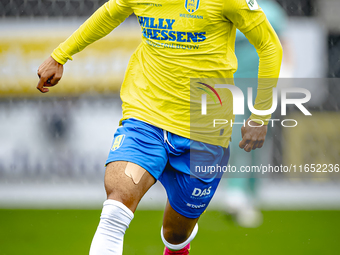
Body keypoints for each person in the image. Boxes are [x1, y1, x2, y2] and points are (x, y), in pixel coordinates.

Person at [36, 0, 282, 254]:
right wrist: (60, 55)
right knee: (115, 210)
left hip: (204, 130)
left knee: (175, 234)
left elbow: (270, 46)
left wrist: (260, 114)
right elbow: (109, 14)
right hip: (145, 119)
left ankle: (178, 245)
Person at [223, 0, 288, 228]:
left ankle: (251, 193)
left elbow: (282, 47)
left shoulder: (272, 12)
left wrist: (287, 76)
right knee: (237, 137)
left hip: (264, 88)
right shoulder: (229, 6)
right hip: (235, 85)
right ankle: (236, 194)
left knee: (261, 141)